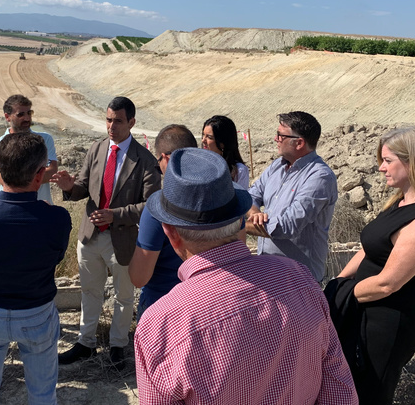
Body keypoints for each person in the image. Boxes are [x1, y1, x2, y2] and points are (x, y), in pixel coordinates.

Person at [135, 148, 358, 405]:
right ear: (241, 221)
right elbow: (338, 389)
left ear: (171, 233)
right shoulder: (299, 279)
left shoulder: (159, 326)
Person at [327, 126, 415, 405]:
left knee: (370, 394)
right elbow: (369, 250)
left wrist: (339, 294)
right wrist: (338, 281)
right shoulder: (399, 203)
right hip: (363, 311)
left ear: (412, 162)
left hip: (387, 324)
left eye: (388, 160)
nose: (381, 168)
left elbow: (388, 283)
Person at [0, 132, 71, 404]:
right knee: (43, 395)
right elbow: (55, 258)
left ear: (1, 171)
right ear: (39, 175)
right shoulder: (57, 219)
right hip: (37, 313)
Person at [52, 96, 160, 368]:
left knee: (124, 296)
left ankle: (117, 346)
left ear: (132, 122)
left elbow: (151, 205)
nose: (111, 126)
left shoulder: (144, 160)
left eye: (118, 121)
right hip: (90, 236)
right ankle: (86, 343)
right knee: (89, 291)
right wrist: (69, 186)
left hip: (122, 240)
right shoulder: (97, 149)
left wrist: (116, 215)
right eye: (109, 119)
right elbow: (83, 188)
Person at [246, 111, 337, 282]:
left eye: (281, 135)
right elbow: (250, 196)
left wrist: (234, 226)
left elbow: (286, 226)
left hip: (298, 281)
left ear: (299, 143)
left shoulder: (319, 177)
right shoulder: (277, 167)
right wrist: (254, 214)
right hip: (268, 274)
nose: (276, 139)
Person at [128, 124, 197, 319]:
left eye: (158, 162)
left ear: (165, 158)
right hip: (211, 304)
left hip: (162, 308)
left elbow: (139, 277)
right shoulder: (226, 197)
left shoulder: (158, 206)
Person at [0, 94, 58, 204]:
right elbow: (3, 179)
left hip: (42, 209)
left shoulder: (45, 139)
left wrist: (18, 178)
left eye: (29, 113)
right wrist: (38, 174)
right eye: (20, 114)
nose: (27, 118)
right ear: (7, 117)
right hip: (10, 206)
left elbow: (52, 172)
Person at [201, 115, 249, 188]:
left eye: (209, 137)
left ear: (222, 144)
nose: (203, 140)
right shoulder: (199, 164)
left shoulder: (239, 171)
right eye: (203, 135)